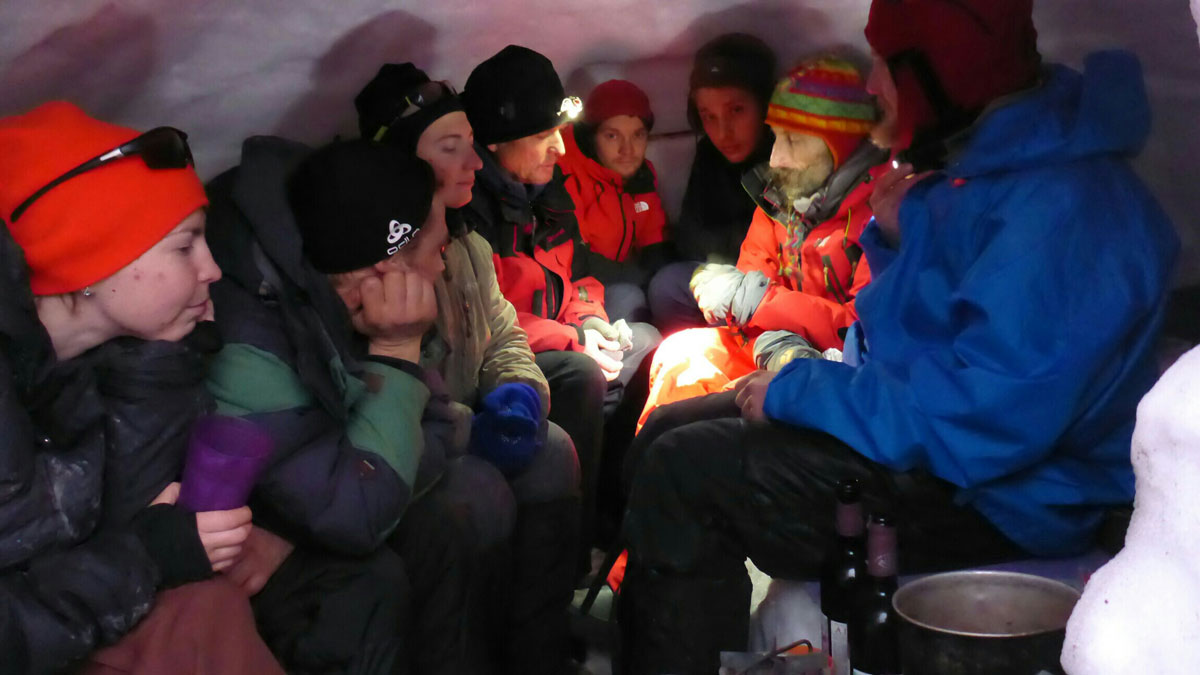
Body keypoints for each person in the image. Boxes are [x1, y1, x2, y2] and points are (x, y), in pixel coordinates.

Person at [616, 1, 1180, 673]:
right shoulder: (983, 168)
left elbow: (979, 424)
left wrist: (802, 390)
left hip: (1009, 496)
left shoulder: (1065, 208)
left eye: (884, 65)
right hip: (945, 440)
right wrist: (892, 242)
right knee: (664, 432)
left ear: (940, 74)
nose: (872, 86)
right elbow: (901, 344)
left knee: (686, 472)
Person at [0, 101, 282, 675]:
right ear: (87, 262)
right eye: (184, 246)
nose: (213, 269)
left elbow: (115, 514)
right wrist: (151, 555)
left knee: (209, 607)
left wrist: (157, 359)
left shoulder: (82, 370)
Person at [355, 62, 584, 675]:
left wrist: (518, 393)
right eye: (451, 149)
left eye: (471, 146)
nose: (476, 163)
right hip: (415, 447)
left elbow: (504, 333)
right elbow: (390, 384)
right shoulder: (376, 265)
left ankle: (539, 644)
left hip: (457, 422)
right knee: (473, 497)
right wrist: (468, 428)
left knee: (553, 448)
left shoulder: (467, 246)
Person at [204, 139, 438, 674]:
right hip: (284, 525)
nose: (439, 265)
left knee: (467, 503)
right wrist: (399, 352)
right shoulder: (249, 339)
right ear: (382, 265)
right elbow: (355, 511)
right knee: (376, 580)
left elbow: (446, 423)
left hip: (322, 501)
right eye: (429, 249)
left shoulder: (339, 289)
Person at [461, 45, 661, 560]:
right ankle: (570, 541)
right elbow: (487, 318)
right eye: (543, 136)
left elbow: (577, 276)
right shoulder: (470, 208)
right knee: (581, 375)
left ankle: (615, 511)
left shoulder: (545, 194)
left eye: (560, 131)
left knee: (643, 342)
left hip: (561, 332)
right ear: (498, 144)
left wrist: (592, 320)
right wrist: (573, 339)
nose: (560, 148)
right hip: (504, 357)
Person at [635, 56, 886, 430]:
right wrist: (777, 345)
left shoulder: (882, 216)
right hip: (773, 350)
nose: (775, 158)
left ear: (841, 145)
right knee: (680, 355)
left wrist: (756, 301)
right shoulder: (776, 202)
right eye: (775, 136)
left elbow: (864, 331)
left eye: (794, 140)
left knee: (689, 439)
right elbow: (748, 314)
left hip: (846, 376)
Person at [647, 32, 777, 333]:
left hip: (770, 282)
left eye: (736, 111)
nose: (723, 132)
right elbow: (691, 237)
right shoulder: (710, 154)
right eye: (709, 116)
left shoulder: (783, 151)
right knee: (665, 284)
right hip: (721, 274)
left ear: (765, 105)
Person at [558, 79, 669, 322]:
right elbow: (578, 260)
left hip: (624, 279)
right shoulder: (568, 176)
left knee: (668, 287)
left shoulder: (640, 178)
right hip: (578, 293)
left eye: (638, 135)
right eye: (612, 136)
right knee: (631, 298)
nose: (627, 150)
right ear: (592, 138)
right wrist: (639, 278)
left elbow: (654, 239)